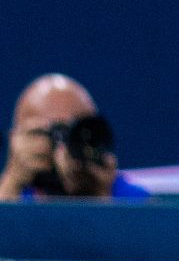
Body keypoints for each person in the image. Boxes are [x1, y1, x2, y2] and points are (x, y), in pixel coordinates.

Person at [1, 75, 149, 201]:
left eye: (72, 132)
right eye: (47, 133)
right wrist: (12, 184)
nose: (61, 146)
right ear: (14, 140)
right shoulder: (14, 190)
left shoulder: (129, 199)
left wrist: (99, 197)